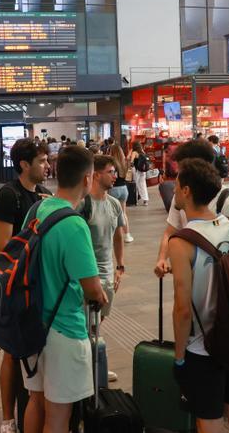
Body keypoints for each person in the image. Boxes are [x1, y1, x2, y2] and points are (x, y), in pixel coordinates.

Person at [161, 158, 229, 433]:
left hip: (202, 347)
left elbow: (182, 308)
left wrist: (179, 358)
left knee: (209, 418)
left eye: (177, 186)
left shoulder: (182, 241)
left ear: (187, 191)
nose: (174, 191)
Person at [21, 146, 108, 433]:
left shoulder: (38, 208)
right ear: (87, 179)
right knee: (58, 416)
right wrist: (101, 295)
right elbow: (92, 288)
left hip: (31, 324)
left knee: (36, 400)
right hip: (63, 330)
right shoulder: (73, 224)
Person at [0, 138, 51, 433]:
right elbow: (2, 248)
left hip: (38, 288)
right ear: (24, 165)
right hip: (14, 287)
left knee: (32, 350)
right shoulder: (9, 196)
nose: (46, 165)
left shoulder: (44, 194)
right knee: (11, 352)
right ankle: (7, 418)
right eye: (41, 161)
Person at [155, 140, 229, 277]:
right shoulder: (181, 196)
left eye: (183, 170)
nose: (179, 176)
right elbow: (170, 230)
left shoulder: (228, 201)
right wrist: (162, 258)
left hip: (222, 282)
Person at [77, 154, 126, 382]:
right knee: (85, 323)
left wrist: (120, 267)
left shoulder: (114, 204)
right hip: (86, 274)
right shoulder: (83, 205)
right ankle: (88, 367)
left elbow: (118, 236)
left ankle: (96, 364)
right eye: (110, 171)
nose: (115, 175)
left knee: (98, 323)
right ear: (96, 175)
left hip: (107, 274)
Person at [108, 144, 134, 243]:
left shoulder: (112, 164)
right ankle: (127, 235)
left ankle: (112, 236)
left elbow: (111, 177)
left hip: (113, 189)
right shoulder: (125, 163)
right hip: (124, 189)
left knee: (112, 214)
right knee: (123, 213)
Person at [128, 141, 149, 206]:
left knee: (136, 185)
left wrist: (130, 153)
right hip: (143, 171)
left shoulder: (134, 152)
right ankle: (145, 200)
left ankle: (135, 200)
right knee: (143, 184)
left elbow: (131, 161)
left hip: (136, 170)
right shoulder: (142, 151)